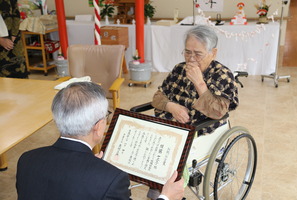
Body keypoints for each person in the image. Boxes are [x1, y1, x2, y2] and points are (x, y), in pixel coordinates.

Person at [16, 82, 184, 200]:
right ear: (98, 127)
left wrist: (92, 166)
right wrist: (166, 197)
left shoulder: (27, 159)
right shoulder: (112, 179)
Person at [152, 25, 239, 136]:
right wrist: (171, 107)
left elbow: (218, 112)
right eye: (187, 52)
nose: (191, 59)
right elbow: (157, 97)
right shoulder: (179, 68)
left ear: (213, 53)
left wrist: (199, 83)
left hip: (199, 131)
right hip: (169, 126)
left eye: (198, 54)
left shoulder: (222, 75)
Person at [0, 0, 28, 78]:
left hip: (12, 38)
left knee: (19, 72)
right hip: (2, 39)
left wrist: (13, 35)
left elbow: (16, 12)